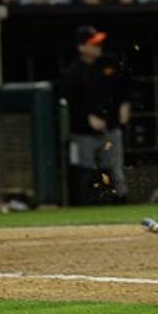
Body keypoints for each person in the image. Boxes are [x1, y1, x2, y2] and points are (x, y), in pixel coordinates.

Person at [59, 26, 132, 202]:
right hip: (84, 132)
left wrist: (125, 104)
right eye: (93, 44)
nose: (98, 47)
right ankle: (87, 206)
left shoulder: (110, 63)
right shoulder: (73, 72)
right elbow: (69, 102)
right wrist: (87, 117)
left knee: (114, 170)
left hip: (110, 126)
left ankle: (119, 205)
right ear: (81, 47)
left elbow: (125, 86)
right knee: (86, 171)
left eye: (98, 43)